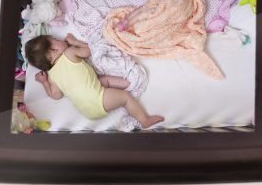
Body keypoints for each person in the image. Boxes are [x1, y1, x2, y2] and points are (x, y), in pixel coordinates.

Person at [24, 33, 164, 129]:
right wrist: (75, 42)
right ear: (54, 49)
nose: (61, 40)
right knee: (126, 98)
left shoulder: (52, 76)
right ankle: (144, 120)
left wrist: (44, 82)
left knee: (103, 81)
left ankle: (126, 84)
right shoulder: (69, 53)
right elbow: (89, 51)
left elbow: (55, 95)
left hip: (86, 110)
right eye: (57, 39)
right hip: (98, 100)